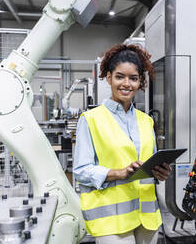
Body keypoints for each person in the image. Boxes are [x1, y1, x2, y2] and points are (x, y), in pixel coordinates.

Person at [73, 44, 172, 244]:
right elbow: (81, 171)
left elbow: (148, 165)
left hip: (147, 216)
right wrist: (119, 173)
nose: (126, 84)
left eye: (133, 78)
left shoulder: (146, 121)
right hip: (111, 220)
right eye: (120, 76)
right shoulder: (91, 119)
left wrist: (160, 173)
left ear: (140, 82)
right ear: (109, 78)